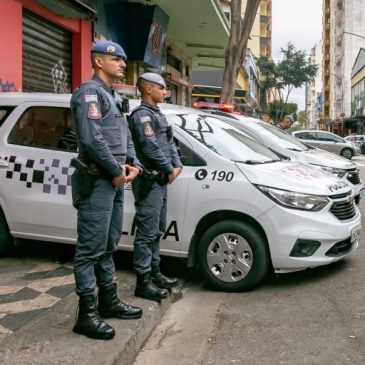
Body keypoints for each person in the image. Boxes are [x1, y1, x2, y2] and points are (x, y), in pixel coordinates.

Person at [70, 40, 143, 340]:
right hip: (98, 180)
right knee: (90, 249)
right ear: (98, 62)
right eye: (116, 60)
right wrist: (115, 171)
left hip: (114, 181)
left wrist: (133, 164)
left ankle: (107, 301)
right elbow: (91, 139)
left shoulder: (112, 97)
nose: (123, 64)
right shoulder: (88, 93)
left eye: (124, 60)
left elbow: (123, 135)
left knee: (109, 244)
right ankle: (86, 315)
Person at [128, 72, 183, 302]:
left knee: (158, 229)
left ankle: (155, 272)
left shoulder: (157, 114)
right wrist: (169, 169)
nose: (165, 91)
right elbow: (150, 147)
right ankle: (143, 280)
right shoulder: (141, 116)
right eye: (161, 87)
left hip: (161, 181)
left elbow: (169, 142)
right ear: (148, 89)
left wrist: (177, 164)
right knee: (146, 232)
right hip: (150, 181)